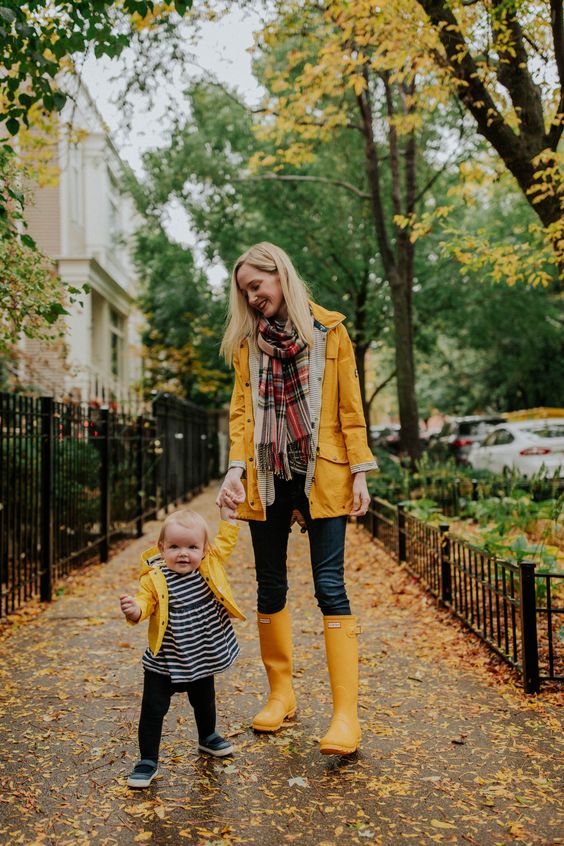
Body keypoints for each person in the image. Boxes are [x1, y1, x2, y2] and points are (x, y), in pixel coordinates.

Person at [216, 242, 377, 756]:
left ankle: (345, 716)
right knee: (269, 586)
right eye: (245, 292)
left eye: (256, 286)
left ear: (280, 275)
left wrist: (360, 472)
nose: (252, 298)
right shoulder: (247, 345)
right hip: (267, 474)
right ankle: (280, 695)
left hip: (322, 472)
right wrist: (235, 469)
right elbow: (241, 414)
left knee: (330, 587)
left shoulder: (330, 332)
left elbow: (350, 408)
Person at [119, 506, 245, 788]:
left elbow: (225, 543)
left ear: (204, 549)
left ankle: (207, 736)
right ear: (161, 548)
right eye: (174, 547)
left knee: (204, 698)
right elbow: (145, 601)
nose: (183, 554)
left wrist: (228, 520)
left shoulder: (209, 565)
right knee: (153, 709)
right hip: (166, 659)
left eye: (192, 547)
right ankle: (147, 759)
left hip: (201, 653)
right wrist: (135, 610)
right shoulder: (155, 578)